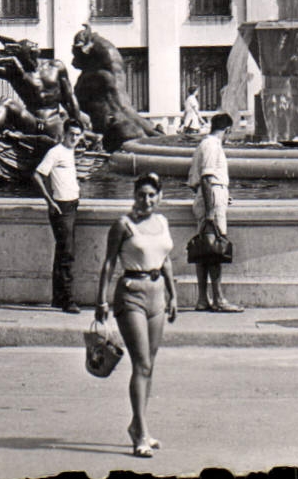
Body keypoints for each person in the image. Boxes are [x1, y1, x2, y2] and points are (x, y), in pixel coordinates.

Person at [94, 172, 177, 457]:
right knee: (141, 362)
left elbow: (165, 260)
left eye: (152, 195)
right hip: (131, 293)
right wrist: (100, 300)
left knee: (149, 365)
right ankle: (140, 434)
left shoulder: (162, 222)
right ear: (134, 195)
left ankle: (138, 425)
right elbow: (108, 263)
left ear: (160, 197)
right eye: (141, 194)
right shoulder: (123, 224)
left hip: (157, 294)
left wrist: (173, 294)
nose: (147, 200)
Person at [187, 112, 243, 312]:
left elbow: (195, 182)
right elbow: (206, 178)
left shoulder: (203, 144)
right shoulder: (212, 146)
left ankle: (203, 299)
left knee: (204, 250)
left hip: (208, 197)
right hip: (212, 200)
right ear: (227, 130)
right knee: (215, 249)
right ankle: (218, 299)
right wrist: (211, 209)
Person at [34, 117, 85, 312]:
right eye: (71, 134)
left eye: (77, 135)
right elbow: (37, 175)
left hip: (72, 204)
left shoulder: (70, 152)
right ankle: (68, 300)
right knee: (67, 253)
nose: (74, 138)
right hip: (61, 207)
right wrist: (49, 201)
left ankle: (58, 298)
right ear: (64, 134)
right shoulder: (55, 152)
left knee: (62, 252)